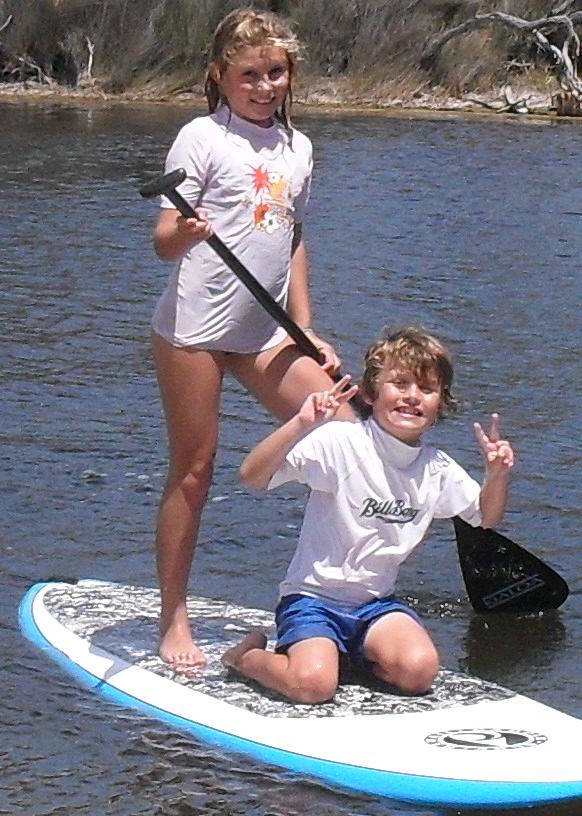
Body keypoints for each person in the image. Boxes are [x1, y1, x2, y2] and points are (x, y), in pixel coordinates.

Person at [150, 8, 351, 670]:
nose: (264, 86)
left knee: (348, 434)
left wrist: (306, 323)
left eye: (275, 72)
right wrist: (189, 231)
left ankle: (331, 601)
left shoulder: (299, 148)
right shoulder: (201, 139)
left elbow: (290, 234)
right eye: (249, 75)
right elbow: (162, 242)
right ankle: (173, 618)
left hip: (264, 329)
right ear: (220, 75)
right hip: (195, 331)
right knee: (196, 469)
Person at [222, 327, 514, 704]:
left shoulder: (436, 468)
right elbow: (252, 476)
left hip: (375, 605)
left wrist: (497, 476)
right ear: (372, 393)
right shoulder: (342, 443)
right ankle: (247, 657)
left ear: (441, 403)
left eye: (426, 389)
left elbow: (485, 518)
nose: (411, 397)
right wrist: (300, 424)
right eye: (400, 384)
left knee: (419, 672)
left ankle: (343, 657)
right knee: (313, 686)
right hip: (313, 600)